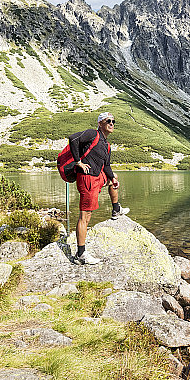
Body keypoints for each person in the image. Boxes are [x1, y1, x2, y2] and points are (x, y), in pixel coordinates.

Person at [67, 111, 129, 265]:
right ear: (100, 123)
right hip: (87, 179)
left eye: (113, 121)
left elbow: (106, 166)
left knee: (114, 178)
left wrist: (112, 178)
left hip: (97, 178)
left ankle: (116, 209)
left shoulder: (106, 145)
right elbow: (73, 139)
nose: (111, 124)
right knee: (85, 217)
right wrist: (78, 162)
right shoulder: (92, 134)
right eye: (108, 121)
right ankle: (80, 254)